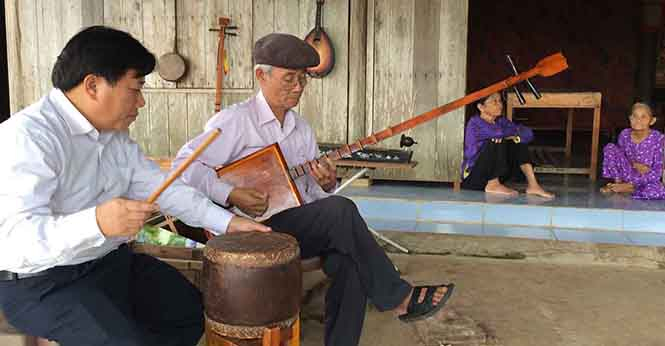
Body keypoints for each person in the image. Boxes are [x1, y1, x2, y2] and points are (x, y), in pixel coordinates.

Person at [174, 33, 455, 346]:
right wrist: (230, 193)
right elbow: (184, 167)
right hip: (246, 230)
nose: (298, 87)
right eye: (289, 78)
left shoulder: (301, 129)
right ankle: (398, 297)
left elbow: (311, 199)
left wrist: (326, 184)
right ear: (261, 75)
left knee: (350, 262)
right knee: (342, 210)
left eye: (303, 79)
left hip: (293, 226)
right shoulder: (236, 121)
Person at [0, 26, 269, 346]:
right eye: (135, 88)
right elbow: (15, 241)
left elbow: (165, 188)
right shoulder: (29, 137)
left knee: (191, 312)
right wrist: (97, 222)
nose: (141, 102)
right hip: (43, 284)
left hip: (109, 265)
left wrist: (228, 223)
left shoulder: (113, 136)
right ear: (93, 85)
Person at [461, 92, 554, 198]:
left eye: (500, 101)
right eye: (494, 102)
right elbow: (497, 133)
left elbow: (528, 133)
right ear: (481, 107)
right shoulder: (475, 123)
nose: (500, 105)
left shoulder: (501, 121)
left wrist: (515, 137)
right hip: (474, 177)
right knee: (495, 140)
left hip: (497, 174)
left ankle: (533, 185)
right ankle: (493, 184)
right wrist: (511, 134)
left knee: (518, 142)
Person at [601, 102, 665, 199]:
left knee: (659, 190)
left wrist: (645, 171)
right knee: (610, 148)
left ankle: (628, 188)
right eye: (635, 116)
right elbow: (620, 159)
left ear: (652, 121)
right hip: (628, 173)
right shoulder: (624, 134)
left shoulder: (658, 138)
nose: (638, 120)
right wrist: (634, 164)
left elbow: (657, 171)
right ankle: (618, 184)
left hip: (646, 177)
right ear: (630, 118)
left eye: (643, 117)